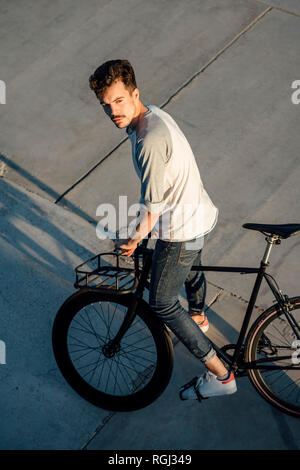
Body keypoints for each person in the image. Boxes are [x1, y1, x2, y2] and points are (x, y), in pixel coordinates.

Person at [89, 59, 236, 400]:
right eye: (106, 105)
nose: (113, 111)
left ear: (134, 93)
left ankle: (221, 375)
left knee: (162, 301)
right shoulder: (153, 114)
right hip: (199, 214)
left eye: (119, 101)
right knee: (190, 269)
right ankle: (198, 319)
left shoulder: (149, 140)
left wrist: (133, 238)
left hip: (181, 228)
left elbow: (153, 208)